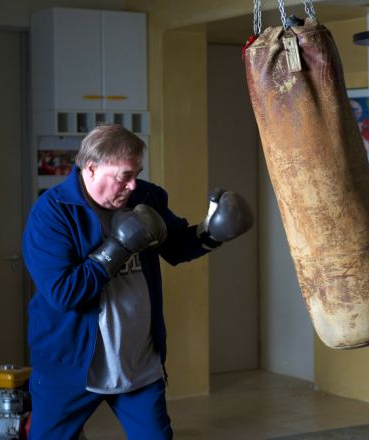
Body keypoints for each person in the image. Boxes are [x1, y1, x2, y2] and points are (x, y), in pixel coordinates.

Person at [22, 124, 253, 439]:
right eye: (124, 176)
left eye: (136, 174)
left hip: (138, 362)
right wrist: (117, 249)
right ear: (90, 168)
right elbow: (64, 292)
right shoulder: (52, 213)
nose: (132, 185)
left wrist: (211, 234)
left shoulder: (145, 196)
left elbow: (174, 246)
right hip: (70, 365)